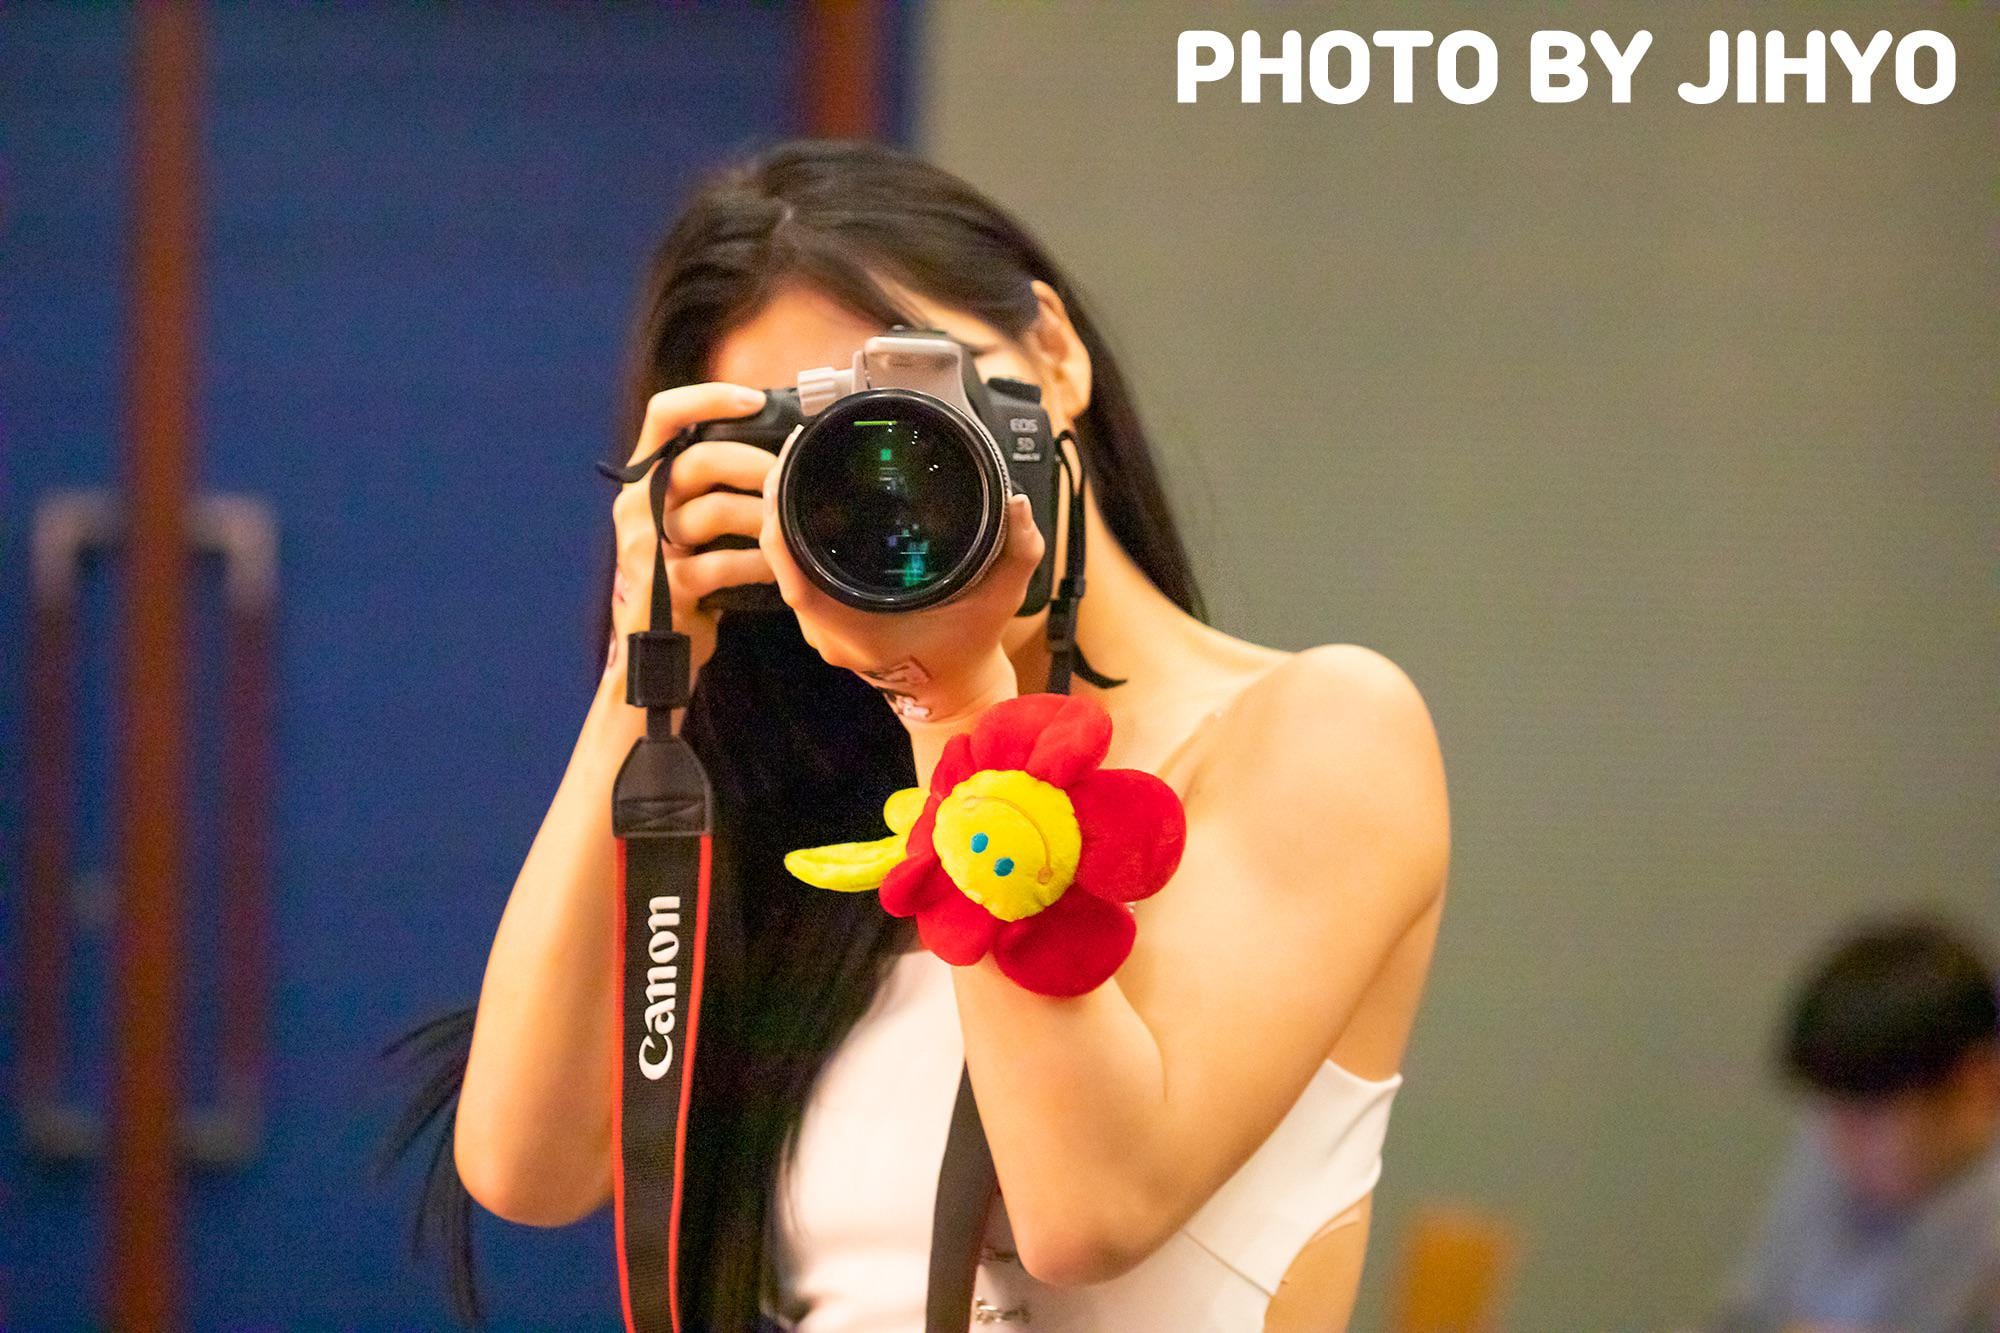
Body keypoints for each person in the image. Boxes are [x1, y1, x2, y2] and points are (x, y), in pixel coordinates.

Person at [381, 138, 1450, 1332]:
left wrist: (952, 702)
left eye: (921, 406)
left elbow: (1087, 1206)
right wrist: (645, 673)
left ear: (1054, 352)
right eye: (823, 447)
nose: (893, 482)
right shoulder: (835, 803)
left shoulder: (1319, 731)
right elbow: (529, 1168)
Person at [1710, 913, 2000, 1333]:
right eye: (1827, 1112)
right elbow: (1748, 1314)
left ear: (1976, 1085)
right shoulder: (1835, 1147)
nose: (1835, 1144)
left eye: (1866, 1118)